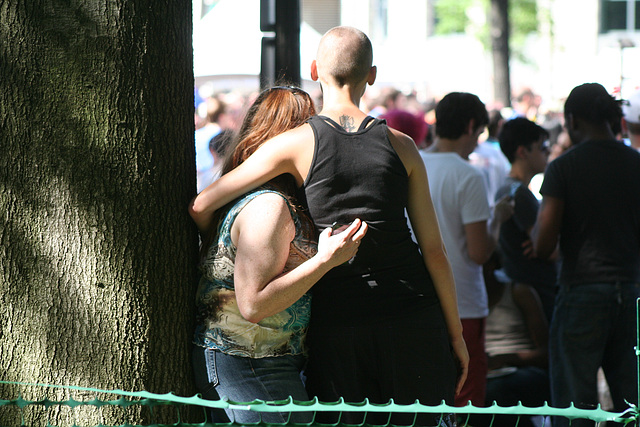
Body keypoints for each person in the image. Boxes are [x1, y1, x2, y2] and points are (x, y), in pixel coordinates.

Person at [190, 26, 469, 426]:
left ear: (315, 69)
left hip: (338, 322)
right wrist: (456, 335)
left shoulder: (295, 143)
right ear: (370, 75)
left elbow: (202, 204)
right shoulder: (403, 145)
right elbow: (435, 252)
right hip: (413, 316)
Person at [190, 86, 367, 425]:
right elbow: (253, 304)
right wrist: (325, 261)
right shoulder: (268, 207)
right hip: (249, 364)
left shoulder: (264, 199)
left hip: (262, 361)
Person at [534, 83, 640, 427]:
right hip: (631, 290)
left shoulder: (564, 167)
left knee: (573, 406)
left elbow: (543, 245)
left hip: (582, 292)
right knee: (632, 404)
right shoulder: (635, 162)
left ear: (573, 120)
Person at [420, 92, 513, 408]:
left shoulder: (412, 164)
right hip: (464, 303)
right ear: (471, 126)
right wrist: (498, 220)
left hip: (421, 301)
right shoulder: (469, 175)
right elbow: (479, 252)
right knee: (466, 396)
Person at [495, 117, 557, 322]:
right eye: (542, 147)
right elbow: (547, 250)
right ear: (522, 152)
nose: (548, 152)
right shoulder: (518, 193)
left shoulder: (509, 189)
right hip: (539, 290)